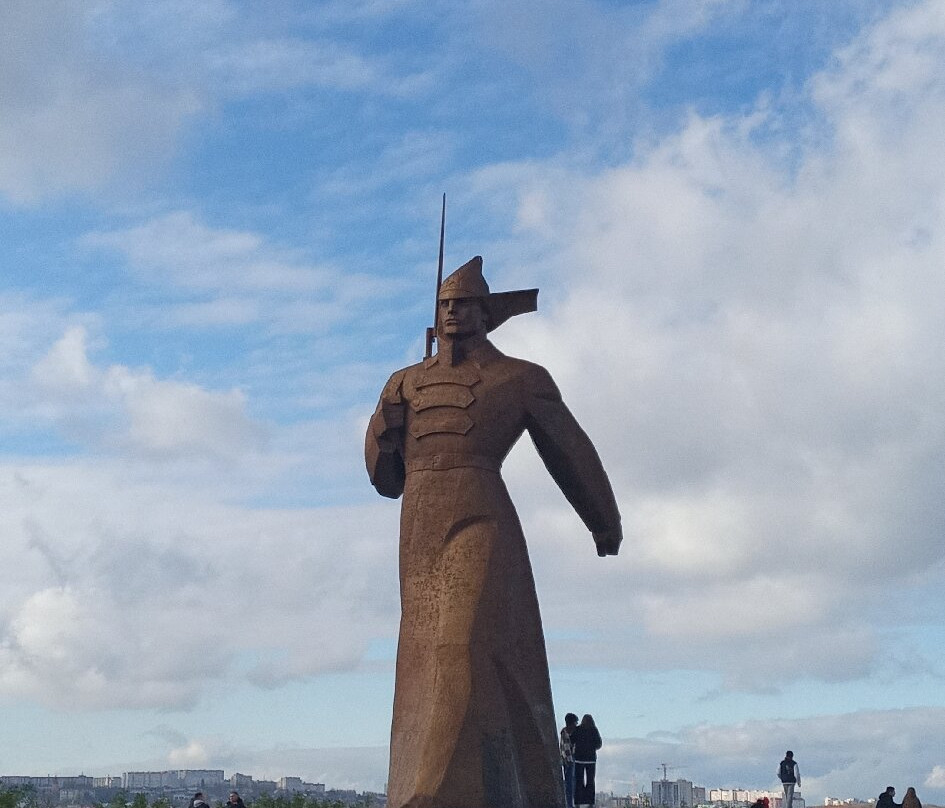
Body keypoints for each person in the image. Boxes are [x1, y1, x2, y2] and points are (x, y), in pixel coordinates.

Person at [366, 256, 623, 808]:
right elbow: (387, 481)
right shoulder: (404, 383)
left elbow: (569, 450)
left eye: (464, 303)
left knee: (462, 641)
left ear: (487, 312)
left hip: (481, 516)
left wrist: (603, 520)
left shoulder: (520, 378)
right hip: (418, 527)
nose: (453, 311)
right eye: (445, 303)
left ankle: (432, 793)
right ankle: (494, 785)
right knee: (428, 656)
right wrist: (383, 432)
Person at [570, 713, 602, 808]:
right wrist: (592, 748)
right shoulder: (594, 730)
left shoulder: (578, 729)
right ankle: (590, 802)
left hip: (579, 759)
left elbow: (572, 740)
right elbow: (599, 744)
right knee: (590, 781)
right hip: (591, 760)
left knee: (579, 781)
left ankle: (578, 803)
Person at [561, 712, 579, 808]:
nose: (575, 725)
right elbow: (567, 751)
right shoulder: (566, 734)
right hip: (569, 762)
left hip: (570, 761)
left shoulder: (568, 733)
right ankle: (570, 805)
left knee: (572, 785)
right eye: (575, 723)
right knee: (570, 786)